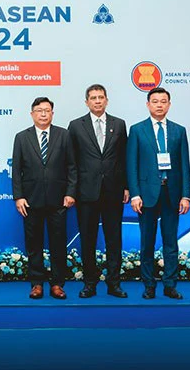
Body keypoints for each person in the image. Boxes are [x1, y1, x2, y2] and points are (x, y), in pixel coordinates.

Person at [127, 87, 190, 300]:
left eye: (163, 101)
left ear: (169, 105)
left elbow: (184, 165)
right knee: (147, 241)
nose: (159, 105)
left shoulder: (179, 131)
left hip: (171, 193)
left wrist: (186, 195)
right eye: (155, 101)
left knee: (171, 242)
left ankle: (170, 285)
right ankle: (149, 284)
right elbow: (131, 165)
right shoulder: (137, 130)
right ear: (148, 104)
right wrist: (135, 194)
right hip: (146, 195)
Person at [68, 84, 129, 299]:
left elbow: (124, 159)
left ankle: (114, 284)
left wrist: (127, 187)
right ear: (86, 102)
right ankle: (89, 283)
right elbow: (71, 162)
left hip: (113, 192)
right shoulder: (76, 126)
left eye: (101, 97)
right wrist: (72, 191)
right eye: (93, 98)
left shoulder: (119, 125)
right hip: (86, 193)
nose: (97, 101)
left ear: (106, 100)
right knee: (88, 240)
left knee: (114, 240)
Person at [12, 97, 76, 299]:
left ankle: (57, 284)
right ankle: (37, 283)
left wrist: (70, 192)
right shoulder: (22, 137)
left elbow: (72, 167)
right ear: (32, 114)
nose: (42, 114)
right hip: (31, 201)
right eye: (39, 110)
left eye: (46, 110)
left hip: (59, 200)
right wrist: (19, 197)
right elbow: (16, 171)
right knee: (34, 244)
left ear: (52, 114)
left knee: (58, 243)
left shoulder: (64, 135)